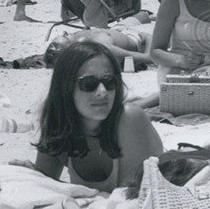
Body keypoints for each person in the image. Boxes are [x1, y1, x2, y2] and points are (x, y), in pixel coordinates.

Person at [16, 41, 163, 194]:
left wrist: (49, 184)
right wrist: (32, 176)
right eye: (89, 84)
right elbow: (46, 191)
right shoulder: (59, 125)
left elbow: (130, 201)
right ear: (66, 88)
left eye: (109, 82)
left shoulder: (130, 119)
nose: (102, 91)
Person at [44, 13, 154, 69]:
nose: (64, 31)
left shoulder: (80, 38)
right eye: (65, 37)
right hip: (137, 37)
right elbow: (148, 57)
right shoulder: (104, 48)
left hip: (119, 29)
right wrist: (148, 37)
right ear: (74, 49)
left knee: (144, 14)